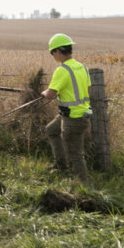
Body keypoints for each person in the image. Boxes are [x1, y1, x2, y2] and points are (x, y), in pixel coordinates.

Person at [41, 33, 92, 182]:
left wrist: (43, 93)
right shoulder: (82, 67)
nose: (53, 55)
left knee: (75, 154)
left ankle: (83, 187)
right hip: (82, 113)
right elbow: (88, 91)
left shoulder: (62, 70)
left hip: (73, 118)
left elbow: (50, 94)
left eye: (52, 52)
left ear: (58, 51)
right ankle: (61, 166)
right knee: (51, 130)